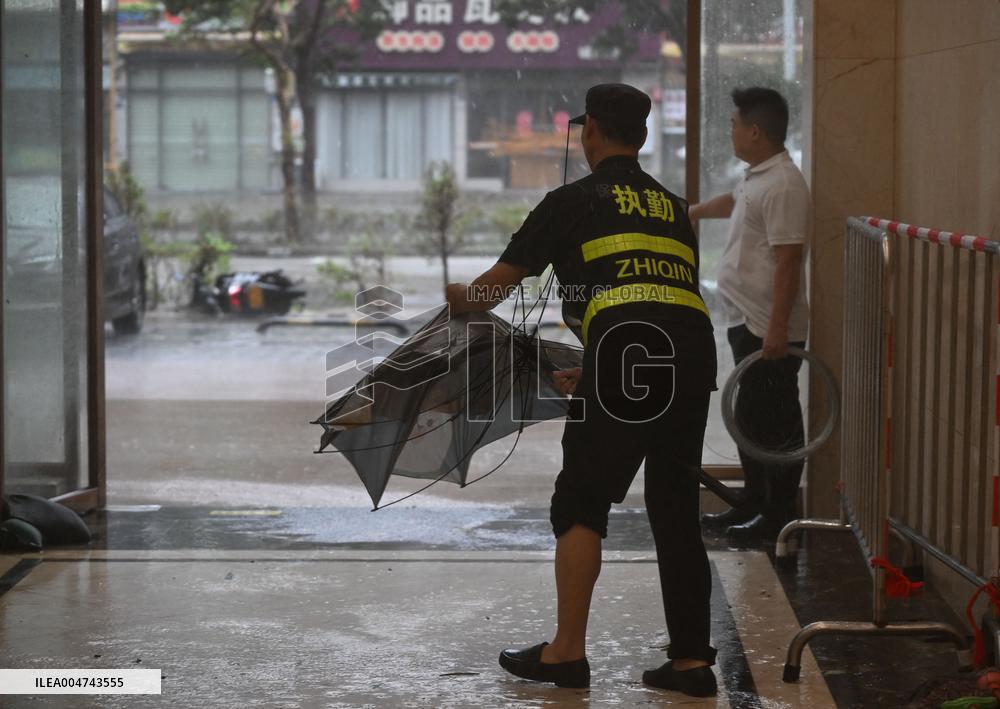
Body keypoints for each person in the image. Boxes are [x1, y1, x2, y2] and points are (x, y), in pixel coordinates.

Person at [446, 84, 719, 697]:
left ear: (590, 130)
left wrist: (459, 299)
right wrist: (596, 368)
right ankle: (691, 664)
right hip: (692, 351)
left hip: (626, 350)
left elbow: (495, 289)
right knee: (676, 507)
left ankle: (566, 653)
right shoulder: (673, 206)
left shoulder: (572, 199)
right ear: (641, 138)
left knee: (581, 502)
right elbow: (656, 292)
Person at [690, 87, 810, 541]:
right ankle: (753, 503)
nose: (731, 131)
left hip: (769, 327)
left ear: (755, 131)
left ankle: (777, 516)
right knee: (749, 416)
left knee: (774, 423)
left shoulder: (784, 185)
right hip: (749, 320)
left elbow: (790, 260)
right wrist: (697, 211)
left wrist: (778, 329)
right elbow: (736, 202)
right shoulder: (759, 176)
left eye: (735, 124)